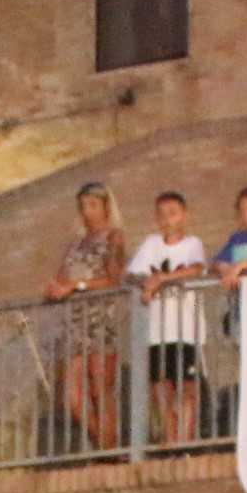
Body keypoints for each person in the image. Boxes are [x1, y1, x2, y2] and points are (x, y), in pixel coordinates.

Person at [43, 182, 130, 447]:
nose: (87, 211)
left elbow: (115, 280)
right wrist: (55, 288)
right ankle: (105, 444)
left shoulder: (113, 237)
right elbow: (62, 277)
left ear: (105, 207)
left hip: (101, 318)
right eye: (83, 206)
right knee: (72, 395)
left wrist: (78, 286)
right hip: (74, 322)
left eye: (93, 205)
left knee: (100, 388)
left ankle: (108, 449)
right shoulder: (75, 244)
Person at [128, 191, 212, 446]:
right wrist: (145, 283)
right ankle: (170, 440)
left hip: (184, 328)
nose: (167, 220)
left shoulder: (192, 244)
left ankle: (185, 441)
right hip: (156, 331)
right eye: (162, 214)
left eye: (173, 213)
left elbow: (197, 268)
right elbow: (132, 274)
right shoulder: (151, 244)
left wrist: (160, 280)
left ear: (184, 215)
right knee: (161, 388)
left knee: (186, 386)